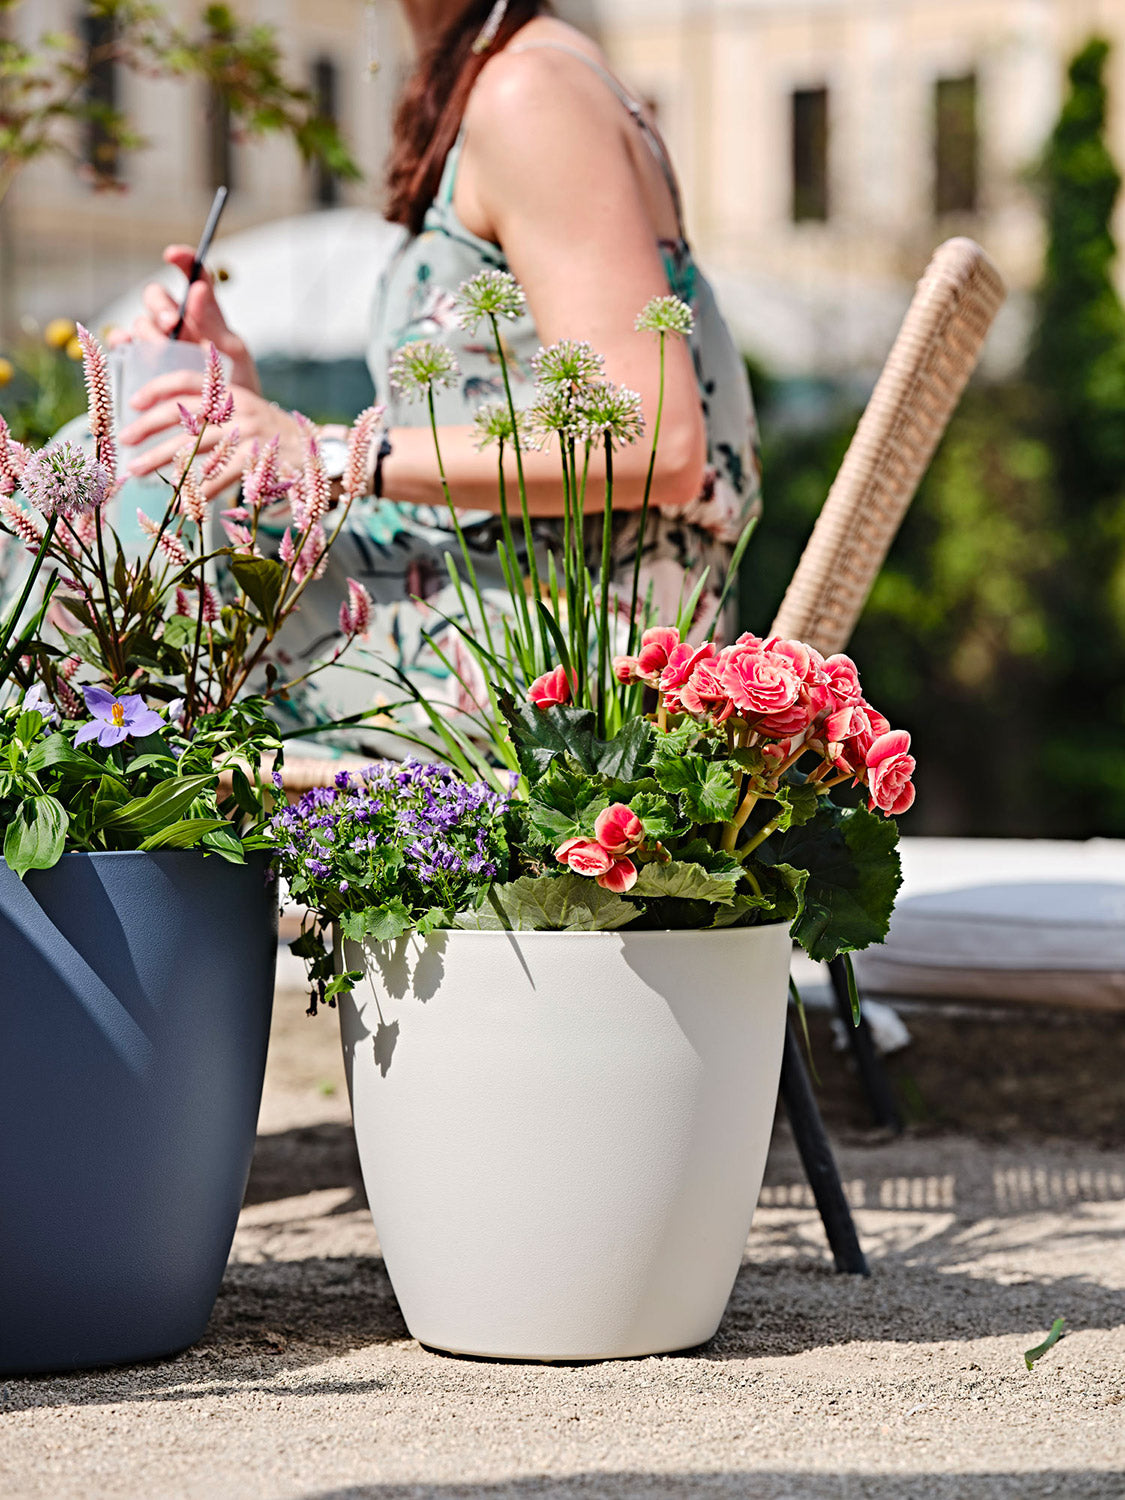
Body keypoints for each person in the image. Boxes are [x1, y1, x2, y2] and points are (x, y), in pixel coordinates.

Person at [116, 0, 761, 740]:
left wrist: (325, 454)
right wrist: (242, 401)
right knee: (148, 481)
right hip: (490, 589)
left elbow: (654, 443)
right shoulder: (504, 72)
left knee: (106, 509)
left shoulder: (531, 93)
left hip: (564, 653)